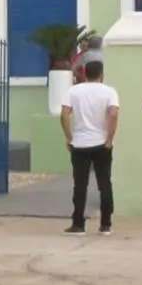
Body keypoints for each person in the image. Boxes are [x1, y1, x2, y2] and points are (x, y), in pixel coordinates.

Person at [59, 60, 117, 235]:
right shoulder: (109, 92)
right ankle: (105, 223)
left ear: (85, 74)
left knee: (80, 185)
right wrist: (109, 138)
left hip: (80, 144)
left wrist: (69, 137)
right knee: (104, 183)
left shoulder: (74, 91)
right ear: (101, 74)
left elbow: (64, 114)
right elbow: (113, 114)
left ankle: (78, 224)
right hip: (101, 143)